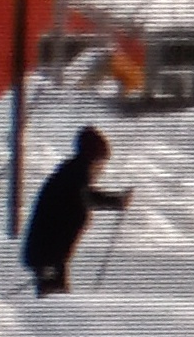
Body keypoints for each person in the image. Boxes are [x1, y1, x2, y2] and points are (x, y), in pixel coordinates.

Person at [21, 126, 130, 297]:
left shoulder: (72, 172)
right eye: (101, 163)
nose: (101, 169)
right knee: (54, 299)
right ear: (93, 159)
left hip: (49, 253)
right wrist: (117, 201)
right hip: (46, 253)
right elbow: (87, 197)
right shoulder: (75, 174)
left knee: (55, 297)